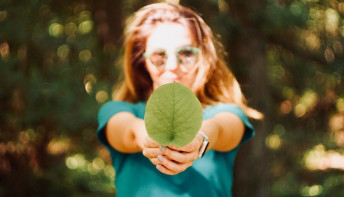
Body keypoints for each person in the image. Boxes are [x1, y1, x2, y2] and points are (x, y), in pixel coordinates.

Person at [97, 2, 262, 197]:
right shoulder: (116, 111)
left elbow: (221, 129)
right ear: (143, 61)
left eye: (185, 53)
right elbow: (129, 132)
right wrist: (149, 138)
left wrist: (199, 140)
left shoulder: (227, 113)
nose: (173, 65)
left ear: (202, 57)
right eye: (159, 55)